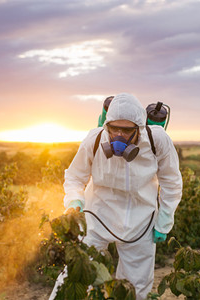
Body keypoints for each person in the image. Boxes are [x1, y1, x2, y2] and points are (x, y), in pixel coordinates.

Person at [50, 93, 182, 300]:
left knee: (135, 287)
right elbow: (75, 176)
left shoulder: (158, 141)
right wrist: (74, 200)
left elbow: (171, 182)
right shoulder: (94, 139)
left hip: (141, 222)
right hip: (97, 216)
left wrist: (164, 220)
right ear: (106, 125)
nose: (118, 135)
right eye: (113, 128)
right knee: (76, 274)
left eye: (127, 130)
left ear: (139, 128)